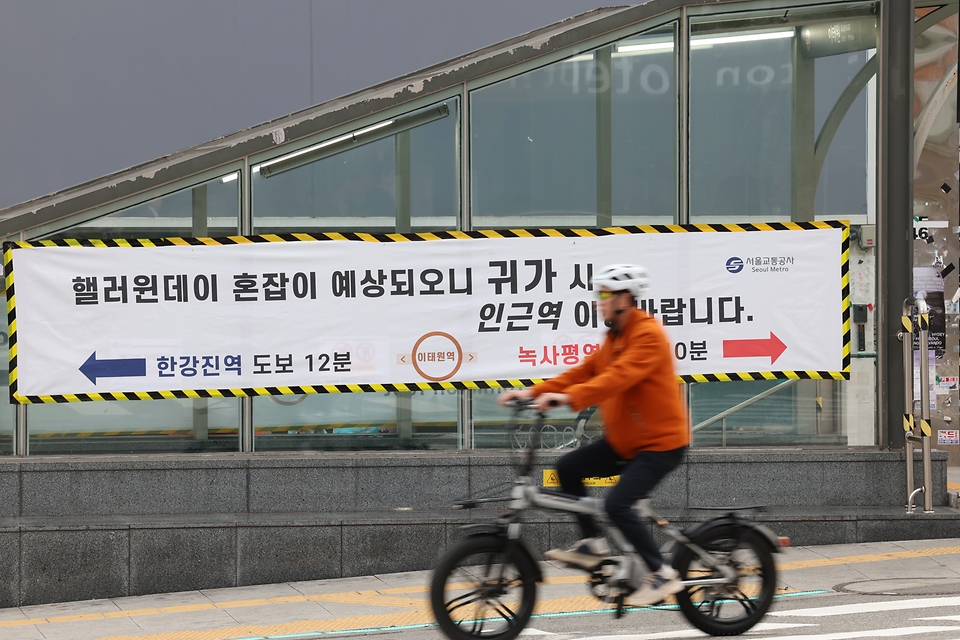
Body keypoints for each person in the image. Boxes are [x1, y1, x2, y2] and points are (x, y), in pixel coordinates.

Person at [498, 263, 689, 606]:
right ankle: (593, 544)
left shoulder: (648, 336)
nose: (598, 301)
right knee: (568, 468)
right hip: (624, 442)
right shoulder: (613, 339)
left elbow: (617, 378)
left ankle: (662, 573)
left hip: (659, 444)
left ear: (625, 298)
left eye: (604, 294)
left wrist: (569, 399)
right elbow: (584, 372)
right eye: (598, 294)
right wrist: (531, 392)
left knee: (617, 504)